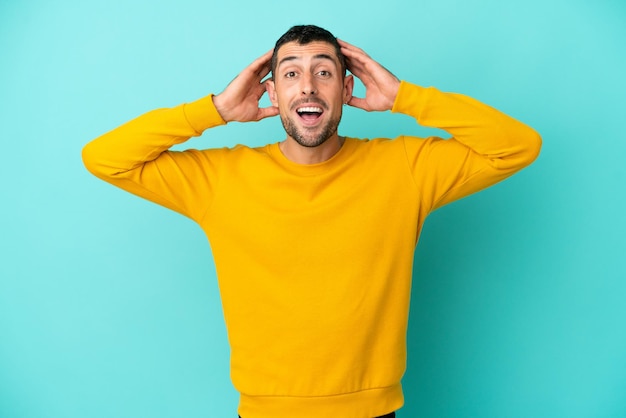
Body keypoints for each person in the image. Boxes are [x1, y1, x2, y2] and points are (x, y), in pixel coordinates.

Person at [82, 25, 541, 418]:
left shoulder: (405, 167)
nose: (307, 87)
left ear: (346, 89)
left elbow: (518, 145)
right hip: (265, 409)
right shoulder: (220, 178)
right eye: (291, 74)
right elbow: (104, 159)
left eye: (323, 72)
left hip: (373, 409)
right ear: (272, 92)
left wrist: (405, 97)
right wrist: (216, 109)